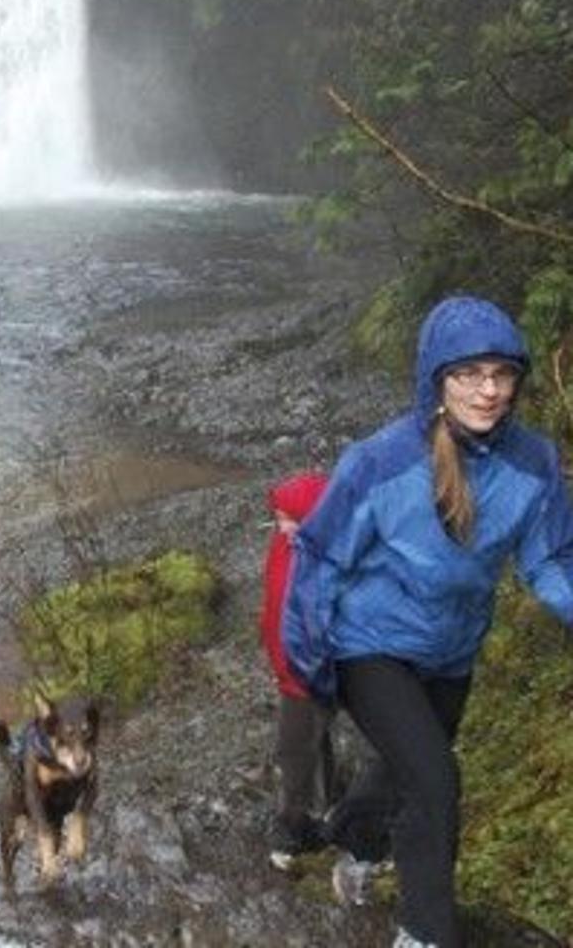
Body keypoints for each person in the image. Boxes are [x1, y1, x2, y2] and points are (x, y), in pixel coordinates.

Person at [282, 294, 573, 948]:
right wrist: (310, 665)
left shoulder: (534, 463)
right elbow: (321, 556)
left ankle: (351, 846)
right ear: (437, 380)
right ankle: (423, 934)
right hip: (370, 647)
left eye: (502, 374)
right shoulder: (380, 461)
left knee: (404, 769)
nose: (489, 390)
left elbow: (552, 560)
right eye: (470, 374)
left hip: (451, 653)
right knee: (436, 782)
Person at [257, 470, 334, 870]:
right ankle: (327, 813)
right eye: (279, 516)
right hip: (291, 668)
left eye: (289, 517)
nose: (280, 525)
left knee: (293, 750)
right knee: (312, 743)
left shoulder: (327, 557)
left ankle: (291, 834)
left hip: (311, 674)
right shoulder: (286, 545)